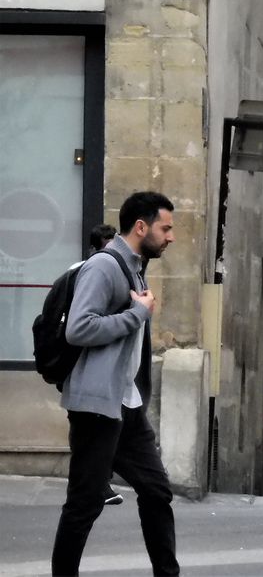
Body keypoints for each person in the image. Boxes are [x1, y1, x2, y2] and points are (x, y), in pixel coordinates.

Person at [51, 192, 178, 577]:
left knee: (156, 490)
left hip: (127, 404)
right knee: (85, 502)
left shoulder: (135, 268)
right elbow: (78, 328)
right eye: (165, 228)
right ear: (141, 227)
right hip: (96, 405)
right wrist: (136, 314)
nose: (170, 237)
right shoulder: (103, 267)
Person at [71, 224, 125, 508]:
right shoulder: (90, 270)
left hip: (108, 375)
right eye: (106, 246)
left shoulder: (119, 269)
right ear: (94, 249)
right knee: (85, 432)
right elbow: (78, 327)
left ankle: (95, 483)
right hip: (80, 366)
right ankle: (94, 485)